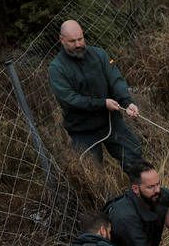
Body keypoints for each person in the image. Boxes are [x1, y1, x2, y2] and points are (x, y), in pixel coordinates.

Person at [48, 19, 143, 172]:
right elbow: (70, 100)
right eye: (72, 41)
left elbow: (115, 80)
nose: (78, 44)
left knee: (135, 158)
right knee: (90, 173)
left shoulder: (100, 55)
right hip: (82, 129)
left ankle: (140, 186)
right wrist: (102, 104)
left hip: (111, 121)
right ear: (62, 40)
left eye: (80, 39)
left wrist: (127, 102)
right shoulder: (57, 68)